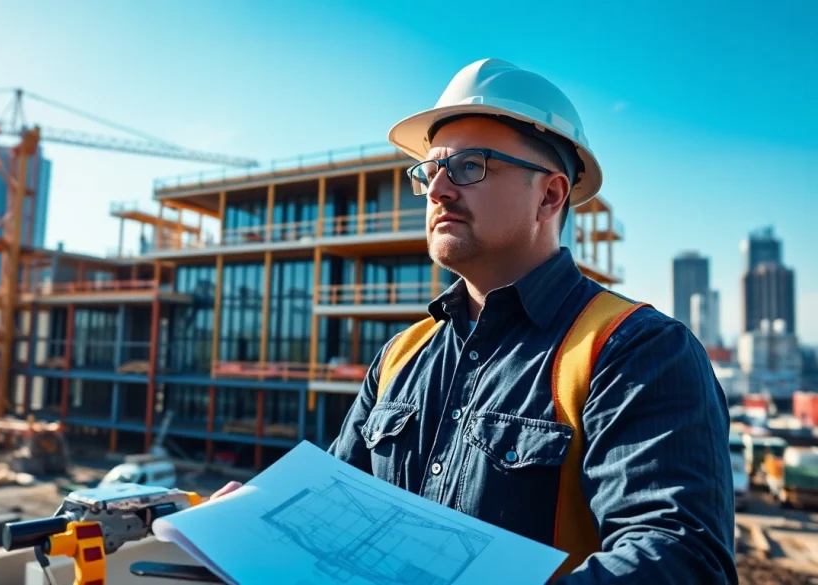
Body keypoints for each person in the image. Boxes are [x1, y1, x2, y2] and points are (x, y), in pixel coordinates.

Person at [212, 58, 736, 584]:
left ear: (550, 195)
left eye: (470, 166)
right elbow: (336, 508)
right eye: (429, 171)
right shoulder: (401, 356)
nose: (438, 189)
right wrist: (259, 518)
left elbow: (681, 561)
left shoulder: (635, 352)